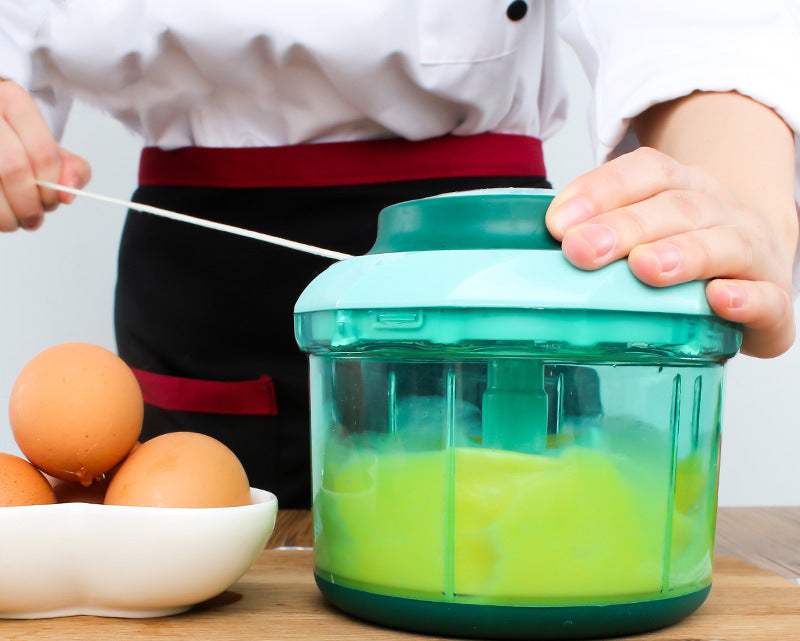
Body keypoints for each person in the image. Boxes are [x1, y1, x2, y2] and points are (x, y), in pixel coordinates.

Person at [0, 1, 797, 508]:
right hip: (196, 278)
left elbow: (700, 28)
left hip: (482, 268)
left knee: (513, 554)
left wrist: (735, 195)